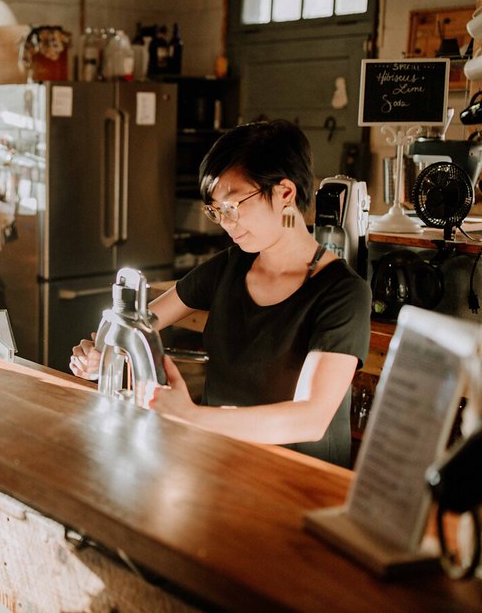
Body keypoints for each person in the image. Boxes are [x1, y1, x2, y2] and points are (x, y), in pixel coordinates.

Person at [71, 120, 370, 467]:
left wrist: (191, 417)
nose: (226, 224)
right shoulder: (230, 266)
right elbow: (139, 324)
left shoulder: (344, 293)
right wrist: (103, 354)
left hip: (300, 484)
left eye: (232, 206)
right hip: (219, 463)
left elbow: (310, 419)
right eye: (216, 211)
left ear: (284, 192)